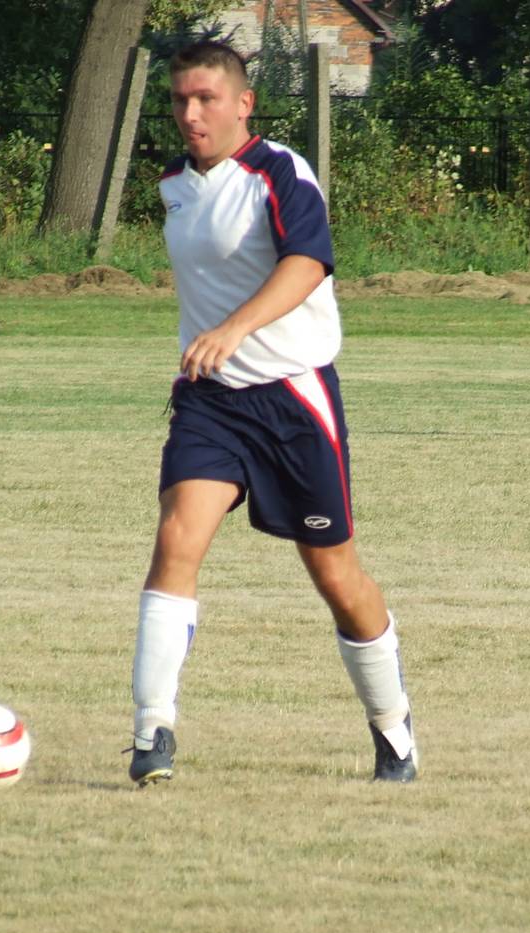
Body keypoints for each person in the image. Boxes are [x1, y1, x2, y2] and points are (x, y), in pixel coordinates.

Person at [123, 41, 417, 787]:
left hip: (292, 400)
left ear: (243, 103)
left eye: (206, 99)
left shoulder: (280, 172)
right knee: (175, 540)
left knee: (335, 576)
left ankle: (392, 728)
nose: (190, 113)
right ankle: (152, 732)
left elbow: (307, 263)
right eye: (180, 100)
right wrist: (213, 345)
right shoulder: (173, 184)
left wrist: (234, 330)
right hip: (210, 402)